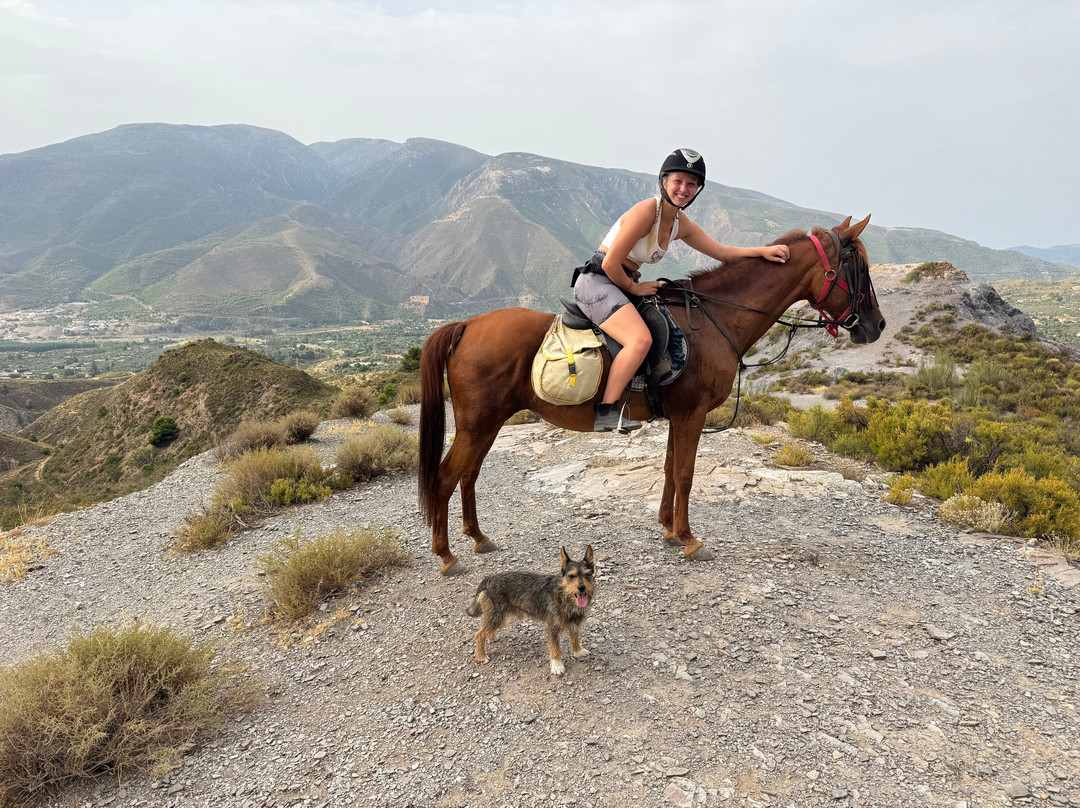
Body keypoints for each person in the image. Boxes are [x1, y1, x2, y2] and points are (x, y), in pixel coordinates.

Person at [573, 148, 791, 432]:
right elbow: (612, 262)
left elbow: (722, 252)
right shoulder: (646, 211)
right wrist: (634, 288)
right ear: (664, 181)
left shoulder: (679, 223)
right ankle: (606, 412)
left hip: (622, 280)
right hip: (599, 280)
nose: (684, 189)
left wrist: (763, 251)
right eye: (678, 181)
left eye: (691, 184)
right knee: (639, 340)